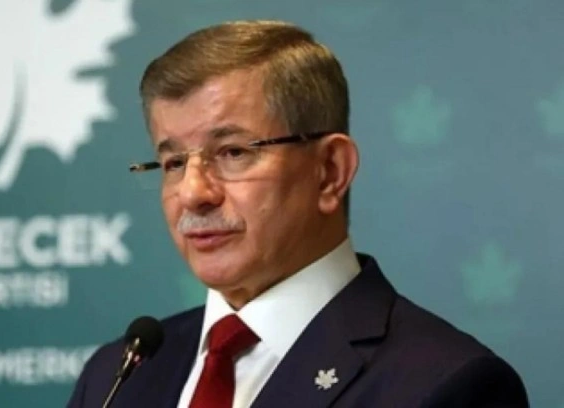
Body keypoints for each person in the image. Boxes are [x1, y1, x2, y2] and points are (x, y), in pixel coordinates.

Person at [67, 20, 529, 407]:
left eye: (232, 152)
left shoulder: (446, 384)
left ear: (330, 172)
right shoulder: (116, 376)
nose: (193, 193)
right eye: (173, 163)